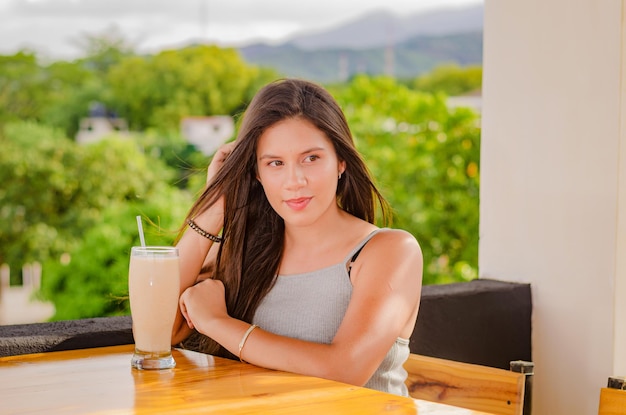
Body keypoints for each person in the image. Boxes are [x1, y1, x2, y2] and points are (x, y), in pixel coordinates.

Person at [173, 78, 423, 396]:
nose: (295, 181)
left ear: (341, 161)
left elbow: (345, 370)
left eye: (311, 158)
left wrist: (218, 322)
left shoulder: (390, 251)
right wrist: (214, 206)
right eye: (275, 163)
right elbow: (160, 331)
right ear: (257, 174)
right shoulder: (241, 252)